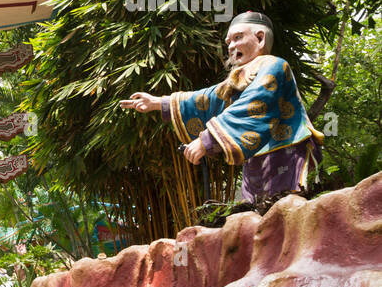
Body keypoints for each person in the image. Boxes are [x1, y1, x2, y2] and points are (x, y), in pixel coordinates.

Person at [119, 11, 323, 213]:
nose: (232, 46)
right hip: (255, 157)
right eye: (229, 42)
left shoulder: (275, 65)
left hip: (284, 151)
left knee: (283, 216)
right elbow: (207, 98)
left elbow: (253, 105)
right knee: (253, 221)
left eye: (238, 38)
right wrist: (159, 103)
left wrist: (206, 140)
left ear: (260, 38)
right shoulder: (238, 76)